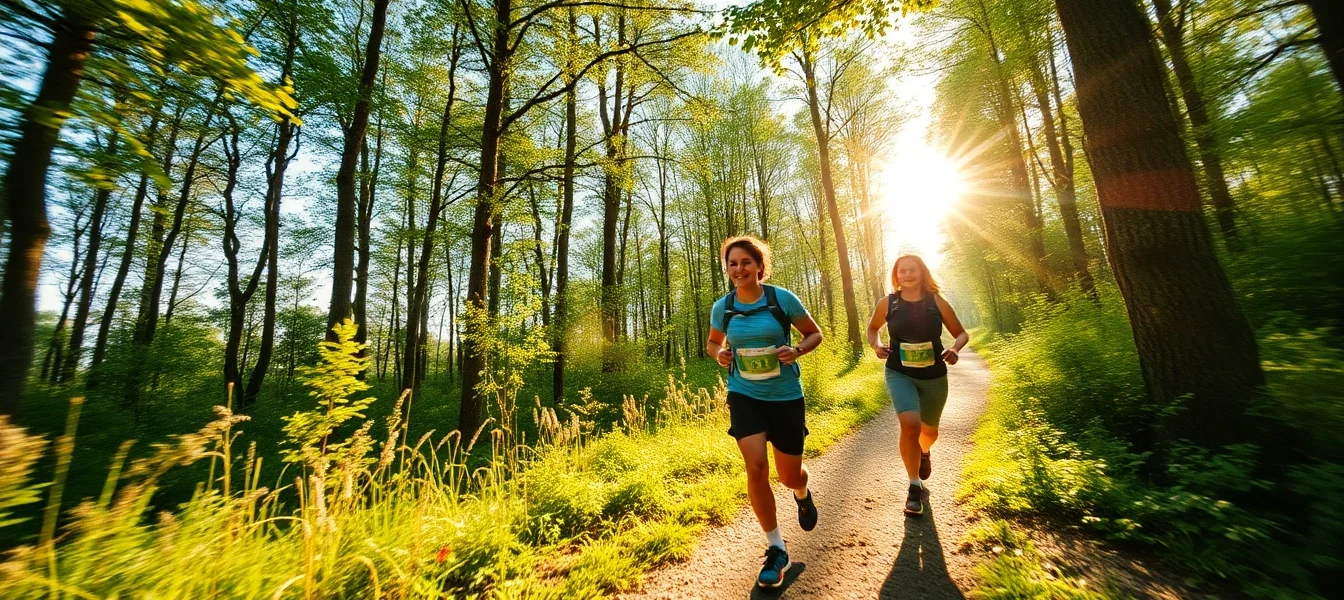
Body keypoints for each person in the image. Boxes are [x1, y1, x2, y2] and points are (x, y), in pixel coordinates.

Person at [706, 235, 824, 588]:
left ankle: (801, 494)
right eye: (732, 263)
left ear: (759, 266)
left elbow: (814, 334)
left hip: (786, 396)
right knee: (756, 466)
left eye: (745, 262)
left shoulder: (781, 299)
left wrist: (797, 350)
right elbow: (713, 343)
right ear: (727, 269)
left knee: (789, 476)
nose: (738, 269)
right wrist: (720, 354)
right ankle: (776, 547)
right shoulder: (722, 307)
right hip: (744, 394)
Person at [865, 254, 968, 517]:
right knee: (910, 424)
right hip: (900, 372)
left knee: (929, 432)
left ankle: (924, 451)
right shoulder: (888, 303)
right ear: (896, 276)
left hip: (934, 375)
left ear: (922, 273)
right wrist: (876, 345)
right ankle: (914, 486)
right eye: (902, 271)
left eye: (912, 270)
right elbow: (873, 328)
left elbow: (961, 333)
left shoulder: (936, 302)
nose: (907, 275)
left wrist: (955, 348)